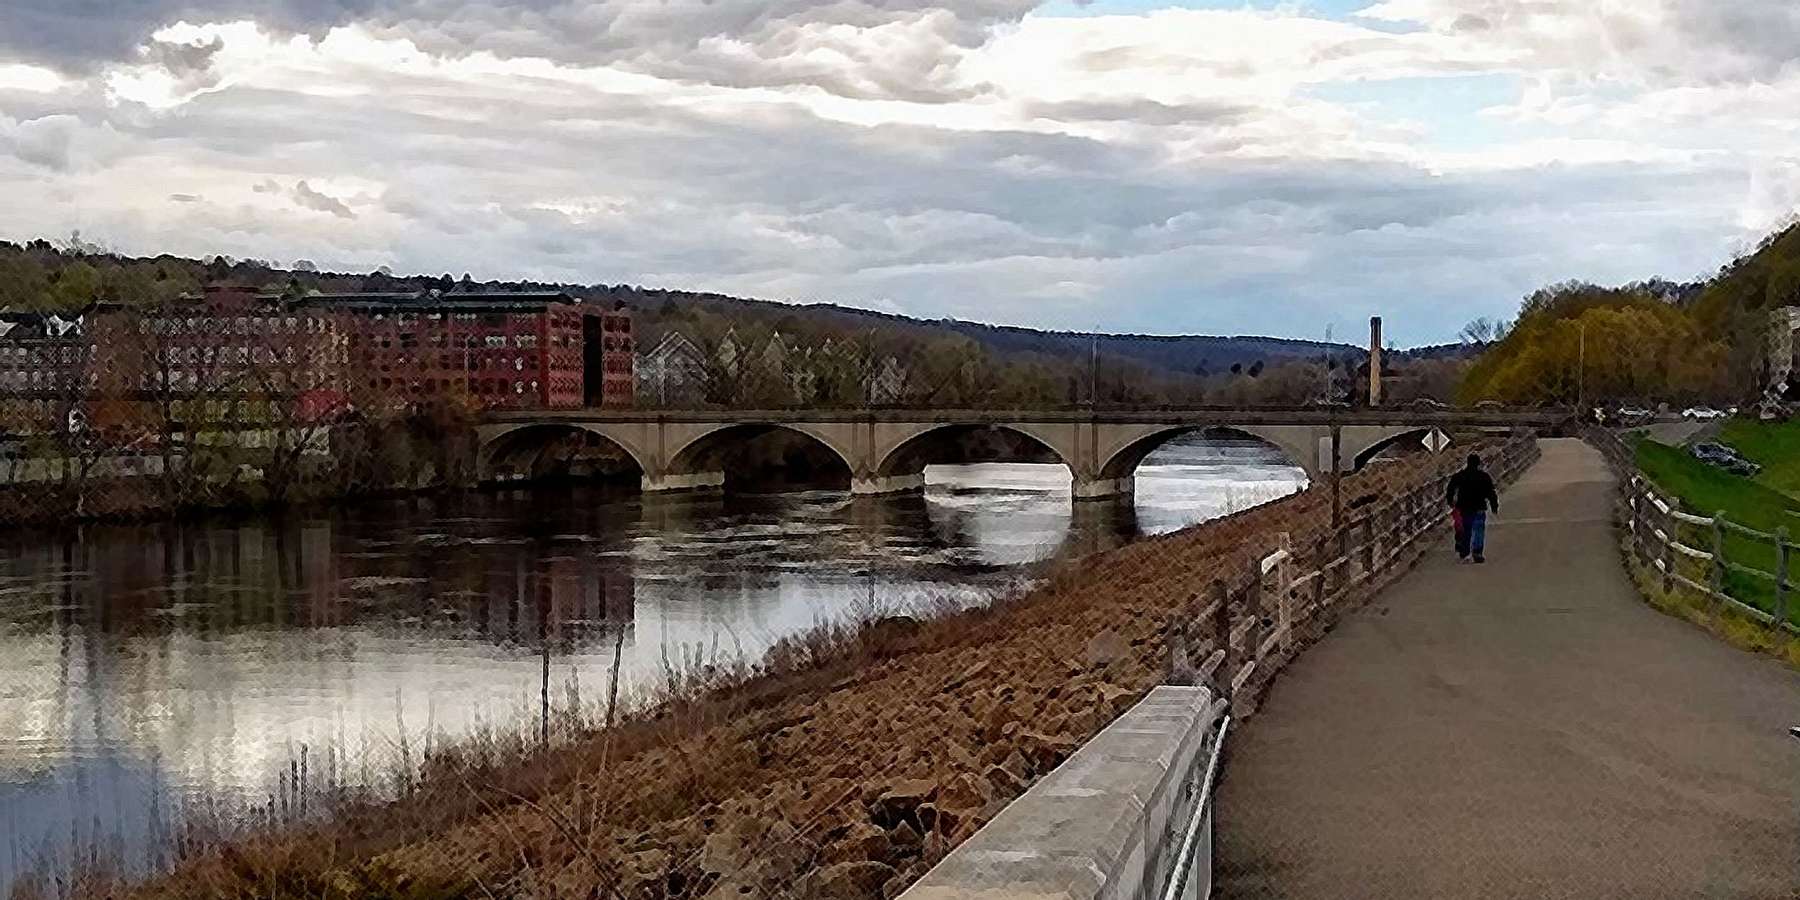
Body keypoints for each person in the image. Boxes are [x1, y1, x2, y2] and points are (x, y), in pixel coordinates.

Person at [1446, 453, 1499, 562]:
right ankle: (1477, 552)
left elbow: (1450, 488)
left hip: (1465, 507)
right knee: (1479, 529)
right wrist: (1494, 505)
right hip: (1479, 506)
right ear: (1478, 463)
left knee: (1466, 530)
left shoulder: (1460, 476)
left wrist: (1450, 501)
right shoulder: (1484, 476)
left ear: (1467, 463)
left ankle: (1465, 553)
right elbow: (1491, 492)